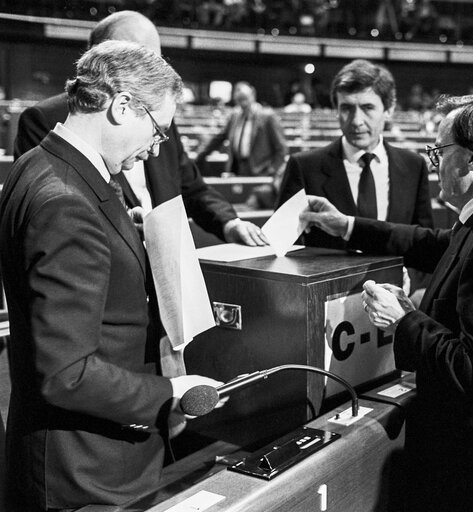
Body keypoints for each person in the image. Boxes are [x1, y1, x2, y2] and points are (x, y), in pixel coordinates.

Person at [0, 41, 223, 511]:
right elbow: (66, 373)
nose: (156, 146)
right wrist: (170, 394)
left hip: (77, 456)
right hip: (81, 469)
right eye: (158, 130)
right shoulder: (66, 200)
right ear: (122, 106)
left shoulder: (43, 163)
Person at [301, 94, 473, 511]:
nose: (433, 162)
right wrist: (347, 226)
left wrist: (404, 321)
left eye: (439, 151)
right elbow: (430, 243)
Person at [13, 10, 266, 248]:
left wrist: (229, 222)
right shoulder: (44, 120)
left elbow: (191, 187)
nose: (156, 73)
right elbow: (57, 221)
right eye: (142, 59)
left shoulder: (158, 115)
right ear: (104, 59)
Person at [276, 58, 433, 250]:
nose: (356, 121)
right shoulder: (304, 167)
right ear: (336, 110)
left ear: (389, 109)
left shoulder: (413, 166)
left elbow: (424, 245)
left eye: (368, 108)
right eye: (347, 108)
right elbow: (283, 246)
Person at [195, 81, 288, 208]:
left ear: (253, 95)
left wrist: (272, 172)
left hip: (261, 172)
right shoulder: (234, 116)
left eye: (245, 98)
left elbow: (281, 149)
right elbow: (219, 139)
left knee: (255, 206)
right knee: (238, 205)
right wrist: (200, 156)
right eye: (239, 99)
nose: (242, 102)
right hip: (238, 168)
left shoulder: (267, 116)